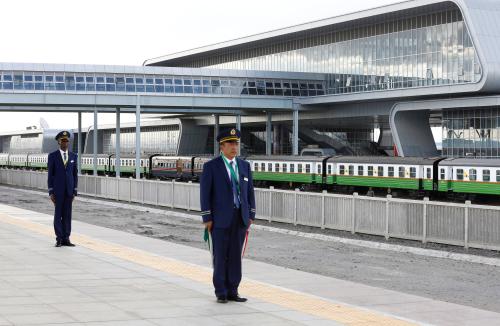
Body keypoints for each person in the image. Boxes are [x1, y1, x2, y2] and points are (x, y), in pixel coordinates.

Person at [200, 128, 256, 303]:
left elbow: (250, 192)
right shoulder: (211, 167)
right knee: (220, 255)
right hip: (219, 219)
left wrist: (251, 214)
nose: (234, 147)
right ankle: (221, 292)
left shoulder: (244, 166)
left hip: (240, 218)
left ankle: (233, 290)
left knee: (235, 257)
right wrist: (207, 217)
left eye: (236, 143)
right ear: (221, 146)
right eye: (230, 143)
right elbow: (205, 194)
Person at [47, 131, 78, 247]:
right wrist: (51, 191)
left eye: (67, 141)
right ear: (59, 142)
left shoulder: (74, 156)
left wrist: (75, 190)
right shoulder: (53, 156)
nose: (65, 143)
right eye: (63, 141)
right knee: (58, 214)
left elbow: (75, 174)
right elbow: (50, 175)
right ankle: (59, 238)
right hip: (57, 191)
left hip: (69, 191)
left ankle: (66, 238)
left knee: (67, 215)